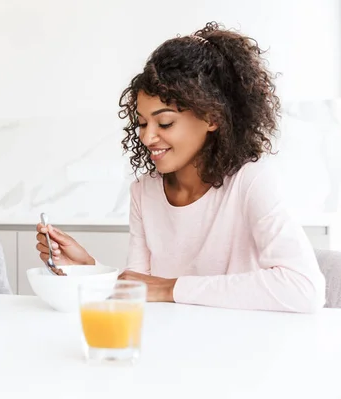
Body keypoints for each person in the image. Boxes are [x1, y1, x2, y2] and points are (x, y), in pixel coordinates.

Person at [35, 22, 326, 313]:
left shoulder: (250, 182)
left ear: (212, 118)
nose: (148, 137)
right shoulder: (144, 191)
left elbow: (305, 288)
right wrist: (89, 269)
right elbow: (140, 291)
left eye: (164, 123)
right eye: (142, 123)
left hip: (240, 347)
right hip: (169, 347)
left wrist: (172, 287)